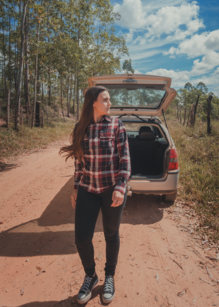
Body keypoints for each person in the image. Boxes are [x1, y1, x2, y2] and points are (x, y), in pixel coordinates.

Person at [60, 86, 131, 305]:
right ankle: (91, 276)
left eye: (110, 100)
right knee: (81, 237)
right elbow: (79, 162)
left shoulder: (116, 125)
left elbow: (125, 160)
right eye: (106, 100)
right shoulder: (81, 127)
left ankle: (109, 276)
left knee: (111, 233)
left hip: (112, 190)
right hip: (87, 189)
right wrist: (75, 186)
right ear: (93, 102)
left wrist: (121, 186)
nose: (110, 104)